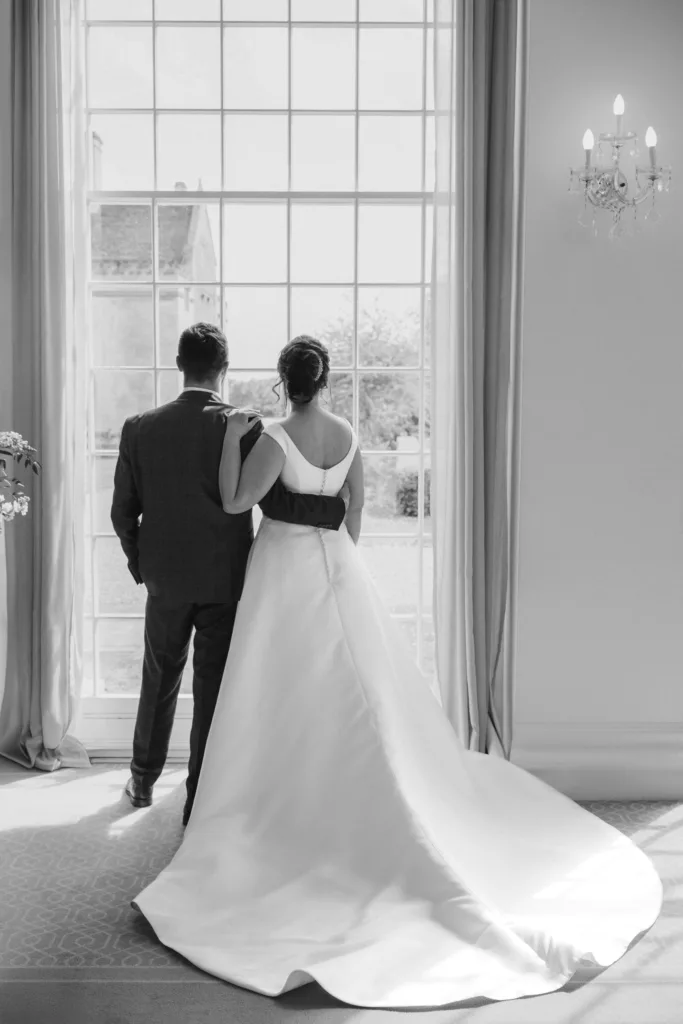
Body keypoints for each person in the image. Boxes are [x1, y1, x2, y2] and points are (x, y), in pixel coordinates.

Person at [132, 335, 662, 1009]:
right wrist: (330, 553)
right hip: (336, 569)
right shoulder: (347, 434)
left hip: (283, 570)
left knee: (278, 690)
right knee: (358, 689)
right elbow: (354, 516)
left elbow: (238, 503)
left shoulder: (270, 437)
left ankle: (276, 799)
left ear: (281, 383)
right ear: (323, 382)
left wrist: (237, 437)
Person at [111, 323, 347, 828]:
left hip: (165, 581)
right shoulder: (245, 425)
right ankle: (199, 796)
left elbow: (121, 513)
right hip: (226, 580)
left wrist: (143, 565)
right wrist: (337, 513)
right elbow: (276, 501)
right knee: (212, 686)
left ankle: (143, 780)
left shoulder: (139, 426)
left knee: (160, 678)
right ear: (225, 369)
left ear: (179, 364)